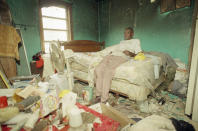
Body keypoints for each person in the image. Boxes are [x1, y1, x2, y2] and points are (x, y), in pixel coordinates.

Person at [94, 27, 142, 103]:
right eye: (124, 33)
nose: (125, 34)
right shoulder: (122, 42)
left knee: (108, 71)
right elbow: (117, 49)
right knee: (98, 69)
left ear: (132, 34)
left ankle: (104, 99)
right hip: (112, 55)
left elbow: (139, 54)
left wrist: (130, 53)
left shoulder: (136, 41)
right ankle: (98, 95)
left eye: (127, 33)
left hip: (121, 57)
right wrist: (110, 53)